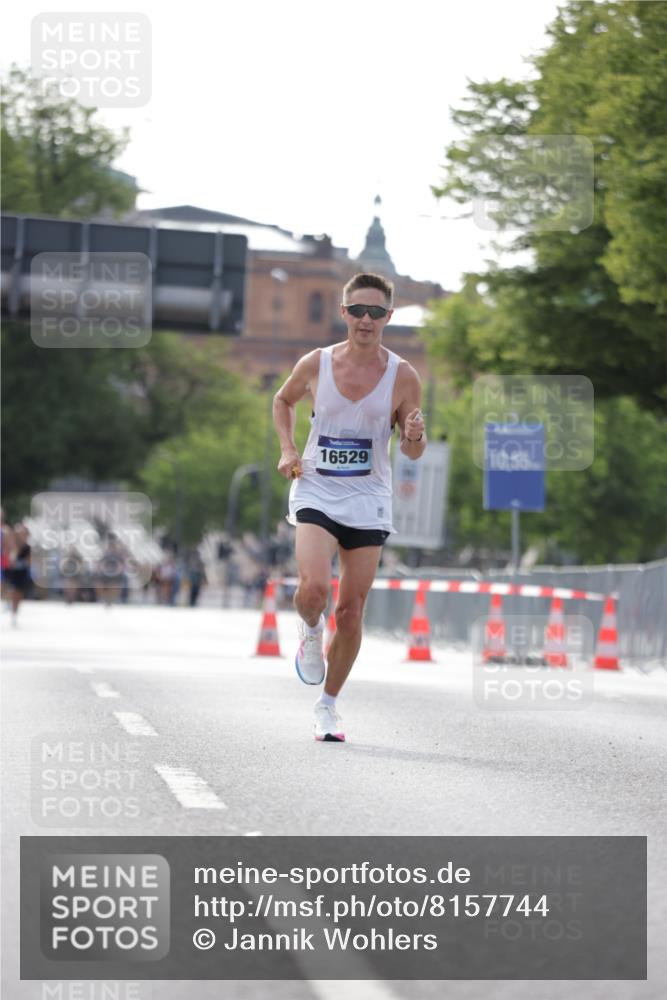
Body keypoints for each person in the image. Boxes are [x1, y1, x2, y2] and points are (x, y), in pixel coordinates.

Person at [273, 272, 426, 742]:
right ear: (344, 313)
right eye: (357, 310)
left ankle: (328, 706)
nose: (365, 319)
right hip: (317, 487)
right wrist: (287, 448)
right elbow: (283, 400)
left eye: (375, 312)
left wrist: (416, 437)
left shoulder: (403, 375)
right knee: (314, 589)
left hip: (369, 497)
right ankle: (309, 630)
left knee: (352, 611)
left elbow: (411, 451)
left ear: (388, 318)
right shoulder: (316, 363)